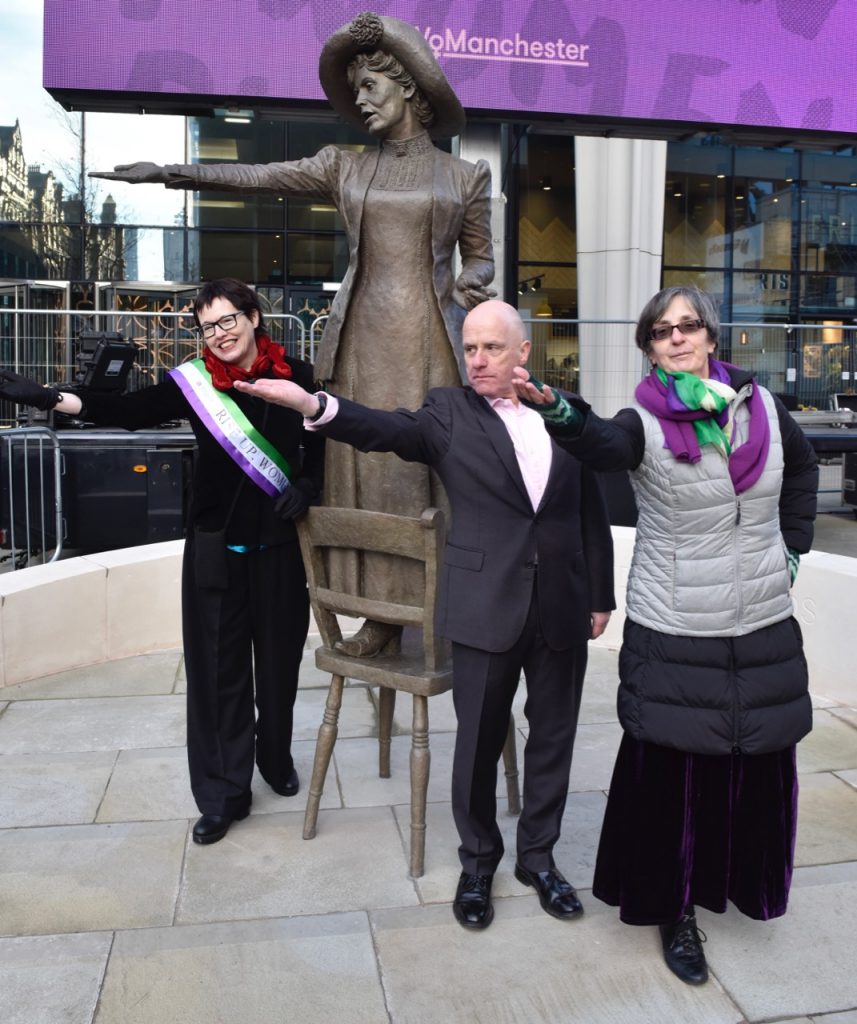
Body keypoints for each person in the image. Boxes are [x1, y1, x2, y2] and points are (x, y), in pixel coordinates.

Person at [90, 11, 495, 658]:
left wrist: (476, 283)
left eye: (371, 87)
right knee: (362, 469)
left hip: (431, 341)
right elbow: (259, 176)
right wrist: (170, 172)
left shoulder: (464, 177)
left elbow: (479, 257)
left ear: (411, 90)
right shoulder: (344, 167)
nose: (359, 101)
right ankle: (381, 614)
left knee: (427, 470)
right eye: (355, 88)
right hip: (361, 335)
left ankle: (438, 606)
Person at [232, 299, 615, 929]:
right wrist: (312, 406)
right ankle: (478, 862)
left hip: (562, 604)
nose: (478, 360)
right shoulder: (449, 412)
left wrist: (599, 594)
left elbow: (588, 511)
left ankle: (539, 859)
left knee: (553, 738)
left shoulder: (565, 410)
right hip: (485, 604)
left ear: (524, 351)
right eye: (469, 348)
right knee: (477, 742)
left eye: (492, 347)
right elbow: (386, 429)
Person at [512, 285, 818, 984]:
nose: (675, 338)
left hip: (761, 616)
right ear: (649, 347)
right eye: (660, 331)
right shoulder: (642, 420)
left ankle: (734, 882)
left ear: (711, 337)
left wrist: (793, 545)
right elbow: (601, 444)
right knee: (674, 779)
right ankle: (671, 908)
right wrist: (556, 409)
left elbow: (798, 471)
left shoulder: (763, 409)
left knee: (753, 761)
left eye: (687, 327)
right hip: (679, 620)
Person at [0, 278, 324, 846]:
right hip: (214, 548)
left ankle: (274, 759)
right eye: (206, 328)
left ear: (252, 318)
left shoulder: (296, 375)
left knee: (277, 669)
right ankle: (225, 792)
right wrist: (50, 397)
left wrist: (308, 483)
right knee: (218, 675)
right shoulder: (192, 383)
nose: (218, 335)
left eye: (227, 321)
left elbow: (319, 442)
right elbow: (127, 409)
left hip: (278, 550)